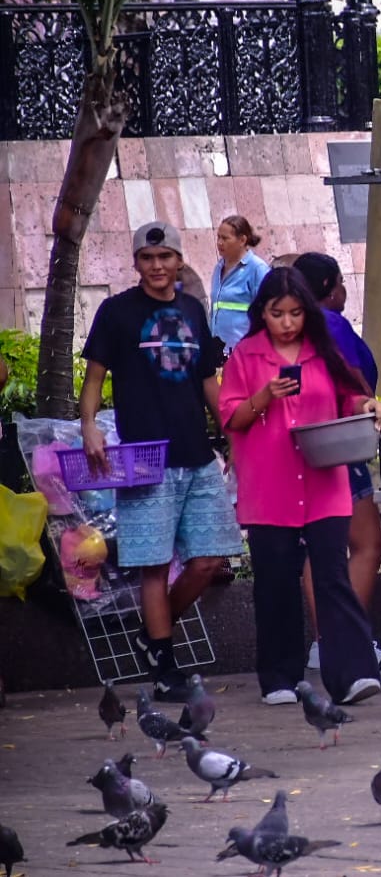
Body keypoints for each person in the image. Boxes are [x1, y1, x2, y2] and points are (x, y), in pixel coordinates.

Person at [80, 221, 241, 701]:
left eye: (165, 257)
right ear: (135, 264)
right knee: (153, 566)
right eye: (147, 259)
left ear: (178, 262)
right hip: (145, 459)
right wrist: (89, 425)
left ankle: (153, 635)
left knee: (209, 559)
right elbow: (93, 378)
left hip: (196, 454)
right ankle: (164, 663)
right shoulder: (115, 312)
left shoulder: (194, 309)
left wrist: (231, 431)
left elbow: (209, 380)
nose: (156, 267)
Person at [219, 268, 381, 706]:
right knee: (275, 581)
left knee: (333, 577)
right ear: (263, 313)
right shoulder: (245, 356)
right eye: (278, 314)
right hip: (270, 485)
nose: (288, 323)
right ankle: (279, 676)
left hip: (323, 481)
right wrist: (265, 397)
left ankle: (352, 673)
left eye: (295, 313)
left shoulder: (323, 350)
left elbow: (348, 397)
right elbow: (231, 418)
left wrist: (367, 404)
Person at [292, 253, 381, 669]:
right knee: (369, 541)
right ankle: (347, 638)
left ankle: (325, 641)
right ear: (332, 286)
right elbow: (353, 379)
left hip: (302, 442)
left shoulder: (284, 332)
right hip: (339, 441)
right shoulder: (330, 323)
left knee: (321, 548)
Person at [210, 215, 270, 354]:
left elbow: (267, 312)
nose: (219, 243)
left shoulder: (257, 269)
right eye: (218, 237)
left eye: (225, 238)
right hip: (219, 352)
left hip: (245, 352)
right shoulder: (218, 267)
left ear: (242, 240)